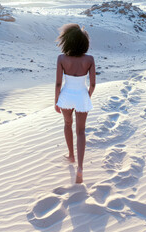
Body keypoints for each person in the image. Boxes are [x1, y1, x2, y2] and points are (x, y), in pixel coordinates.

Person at [54, 23, 96, 184]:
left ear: (67, 41)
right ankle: (80, 168)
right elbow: (92, 84)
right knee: (81, 131)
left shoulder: (61, 59)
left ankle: (71, 155)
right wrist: (88, 96)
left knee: (67, 124)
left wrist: (56, 101)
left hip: (66, 96)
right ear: (84, 42)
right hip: (81, 95)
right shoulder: (89, 59)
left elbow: (58, 84)